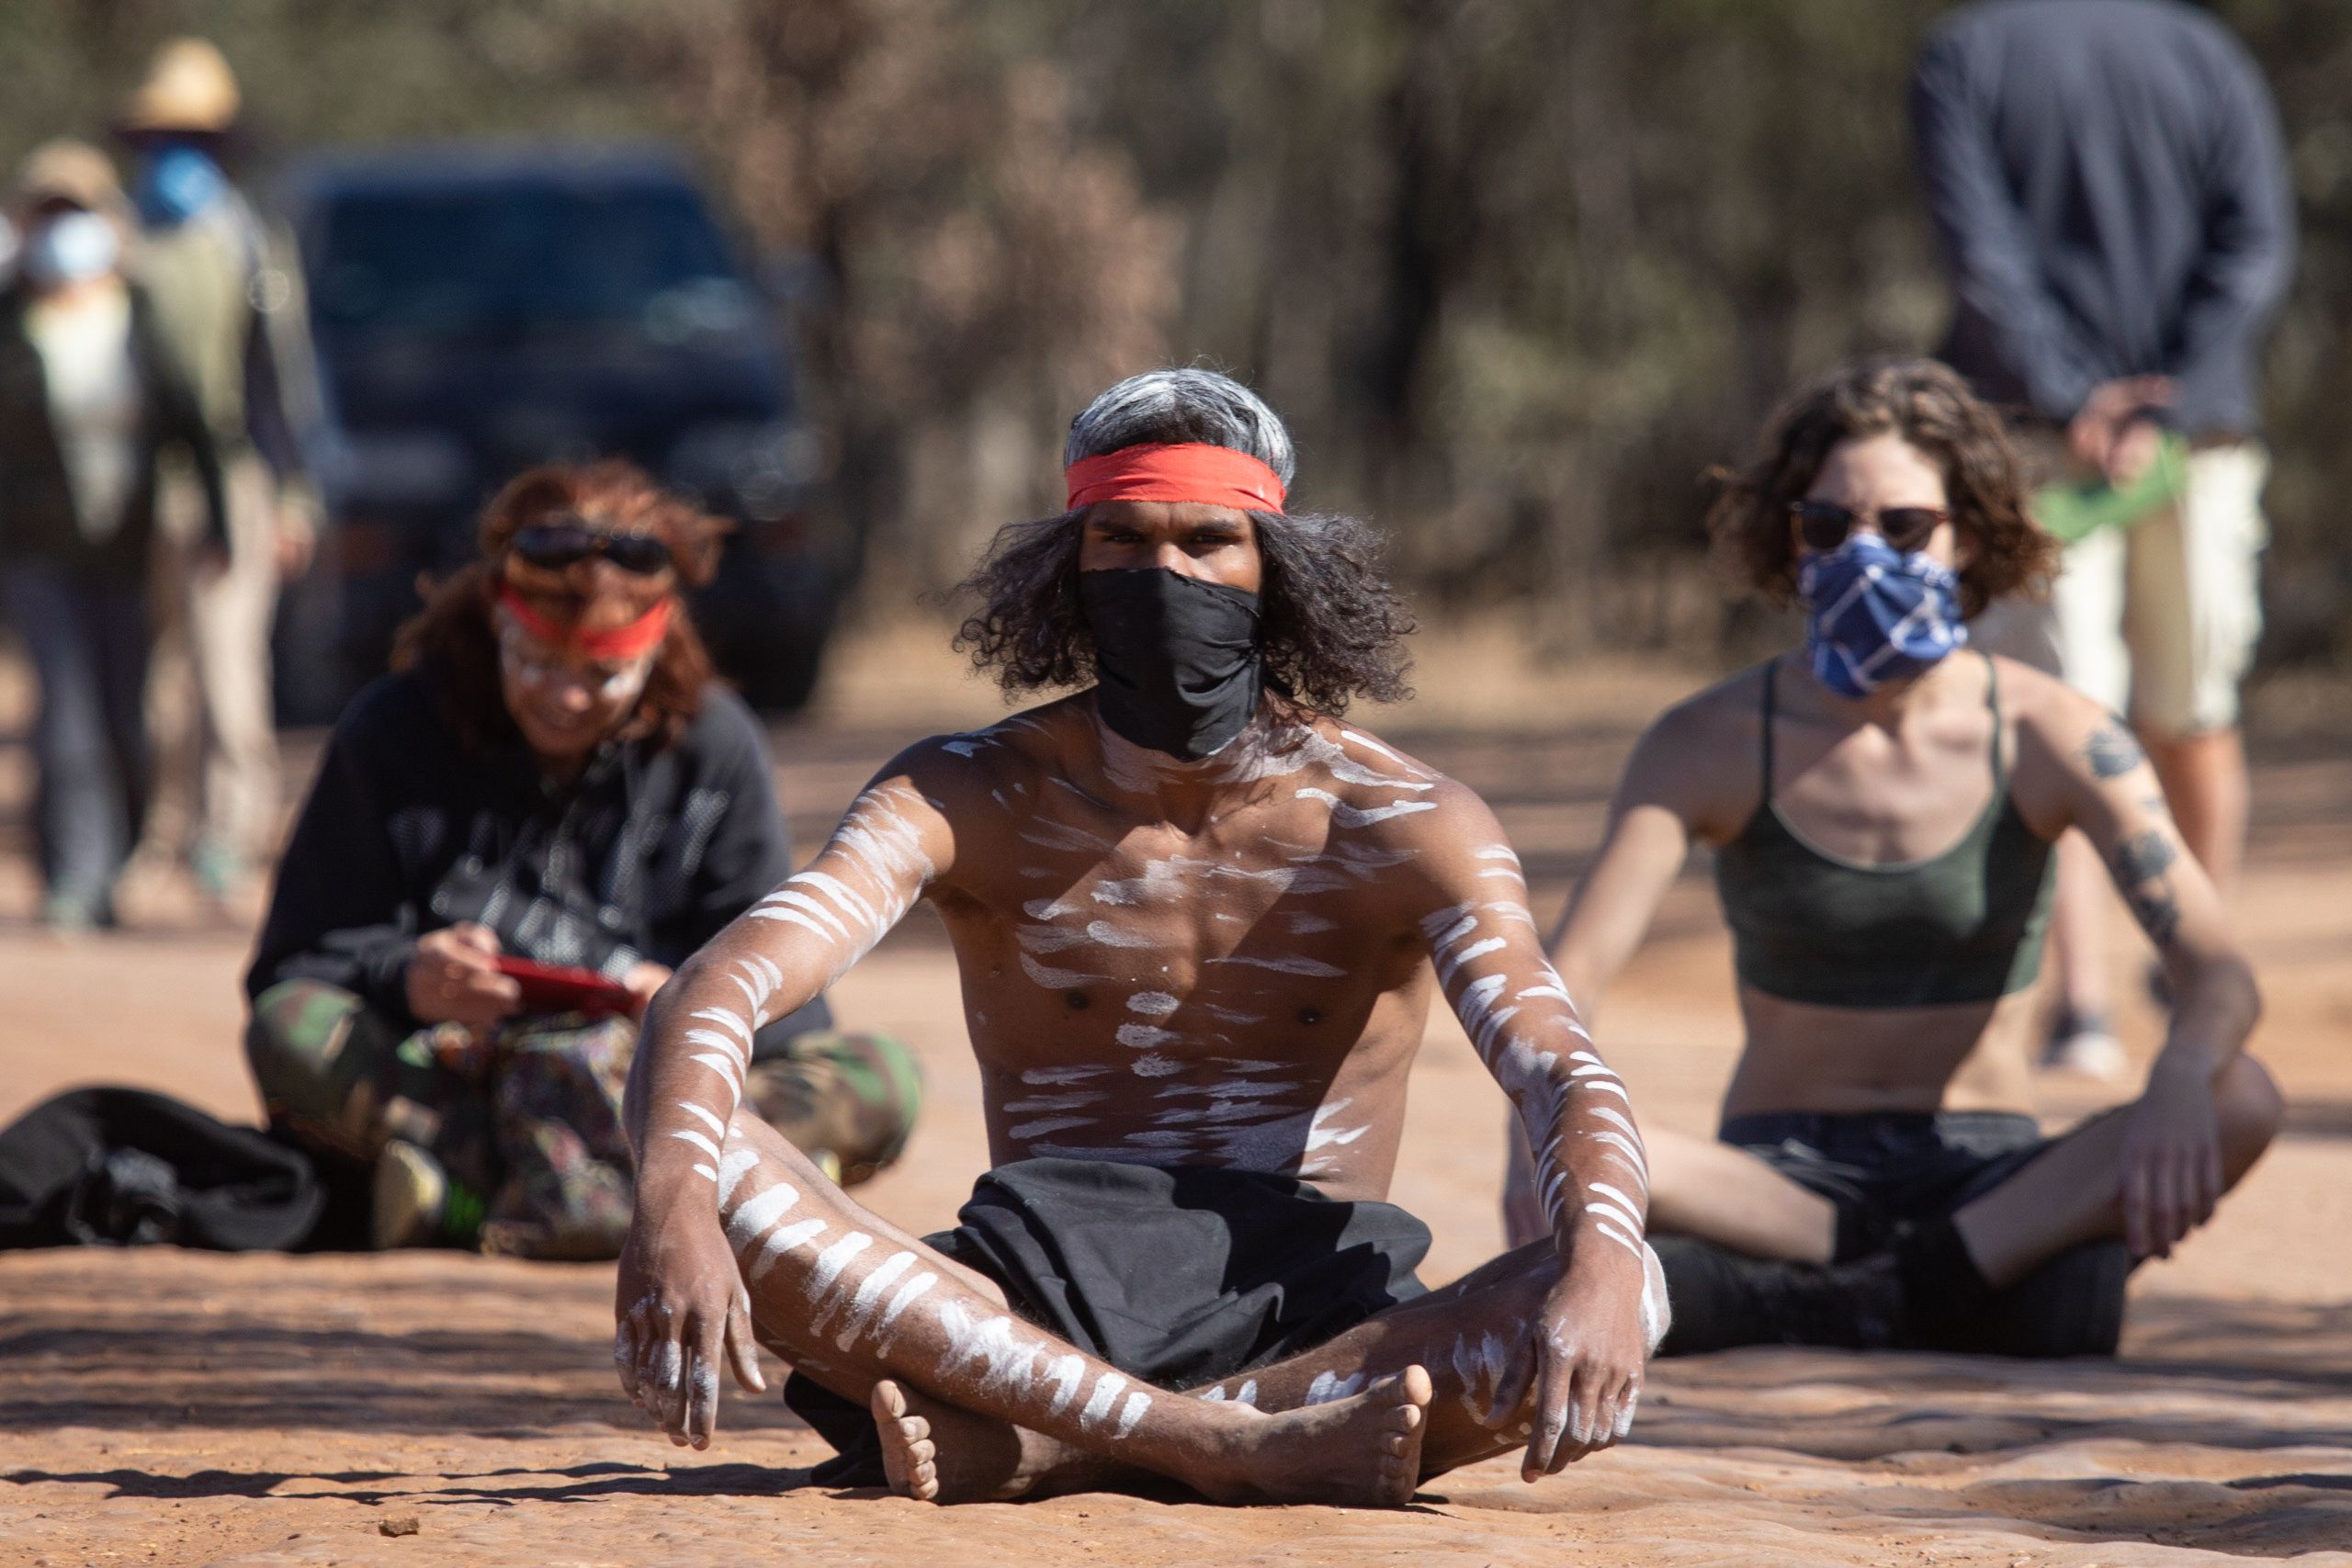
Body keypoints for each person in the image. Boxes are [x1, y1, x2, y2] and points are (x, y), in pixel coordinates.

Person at [612, 368, 1669, 1508]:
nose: (1163, 573)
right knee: (697, 1148)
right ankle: (1217, 1445)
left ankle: (1064, 1444)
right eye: (1119, 538)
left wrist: (1602, 1261)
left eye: (1208, 540)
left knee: (1631, 1278)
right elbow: (711, 991)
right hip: (1025, 1298)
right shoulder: (967, 794)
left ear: (1277, 572)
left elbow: (1559, 1068)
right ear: (1067, 570)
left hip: (1311, 1319)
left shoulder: (1403, 822)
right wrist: (670, 1203)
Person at [1509, 358, 2278, 1358]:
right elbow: (1564, 989)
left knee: (2240, 1095)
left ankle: (1826, 1296)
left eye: (1905, 526)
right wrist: (1539, 1145)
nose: (1864, 553)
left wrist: (2179, 1071)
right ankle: (1952, 1290)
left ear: (1970, 537)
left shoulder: (2052, 734)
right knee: (1588, 1139)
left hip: (1986, 1174)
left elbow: (2218, 972)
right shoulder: (1709, 740)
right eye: (1829, 525)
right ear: (1791, 537)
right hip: (1775, 1178)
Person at [243, 462, 921, 1257]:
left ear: (657, 643)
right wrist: (409, 975)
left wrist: (691, 1001)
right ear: (496, 621)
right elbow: (294, 964)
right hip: (460, 1083)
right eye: (536, 661)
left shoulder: (715, 746)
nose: (564, 698)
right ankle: (712, 1198)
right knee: (289, 1028)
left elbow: (794, 996)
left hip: (647, 1101)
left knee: (885, 1079)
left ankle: (471, 1199)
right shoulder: (393, 730)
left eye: (603, 674)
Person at [1911, 0, 2297, 1073]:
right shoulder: (2208, 53)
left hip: (2048, 442)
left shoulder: (1964, 55)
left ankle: (2081, 1008)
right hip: (2189, 440)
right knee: (2190, 712)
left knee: (2055, 722)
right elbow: (2256, 247)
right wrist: (2168, 399)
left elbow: (1978, 255)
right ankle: (2195, 986)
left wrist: (2075, 394)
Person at [0, 140, 226, 931]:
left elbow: (191, 421)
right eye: (50, 215)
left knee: (127, 711)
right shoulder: (8, 321)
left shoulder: (137, 313)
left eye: (79, 213)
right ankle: (74, 873)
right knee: (64, 716)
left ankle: (118, 855)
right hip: (33, 549)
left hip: (127, 548)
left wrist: (220, 520)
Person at [118, 37, 322, 903]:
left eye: (192, 140)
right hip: (143, 486)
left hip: (234, 478)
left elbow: (278, 380)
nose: (176, 157)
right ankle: (159, 833)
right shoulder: (122, 238)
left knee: (229, 665)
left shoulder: (248, 243)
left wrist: (292, 495)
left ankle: (230, 835)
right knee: (159, 675)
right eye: (164, 139)